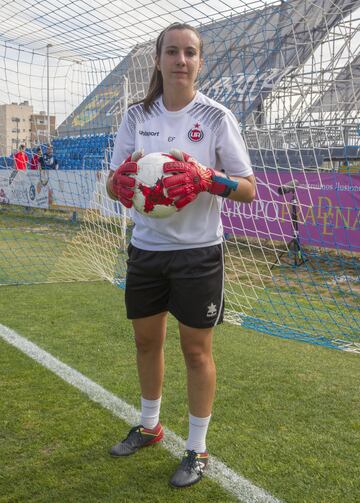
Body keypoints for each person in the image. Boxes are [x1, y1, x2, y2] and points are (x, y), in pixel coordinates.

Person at [106, 22, 256, 488]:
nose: (181, 60)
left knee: (196, 352)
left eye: (190, 52)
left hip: (198, 254)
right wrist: (120, 184)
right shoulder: (136, 117)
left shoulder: (216, 118)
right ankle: (150, 426)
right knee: (146, 342)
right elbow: (115, 183)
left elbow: (248, 189)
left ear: (199, 62)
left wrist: (209, 178)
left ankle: (196, 448)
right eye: (172, 51)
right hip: (147, 250)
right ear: (158, 59)